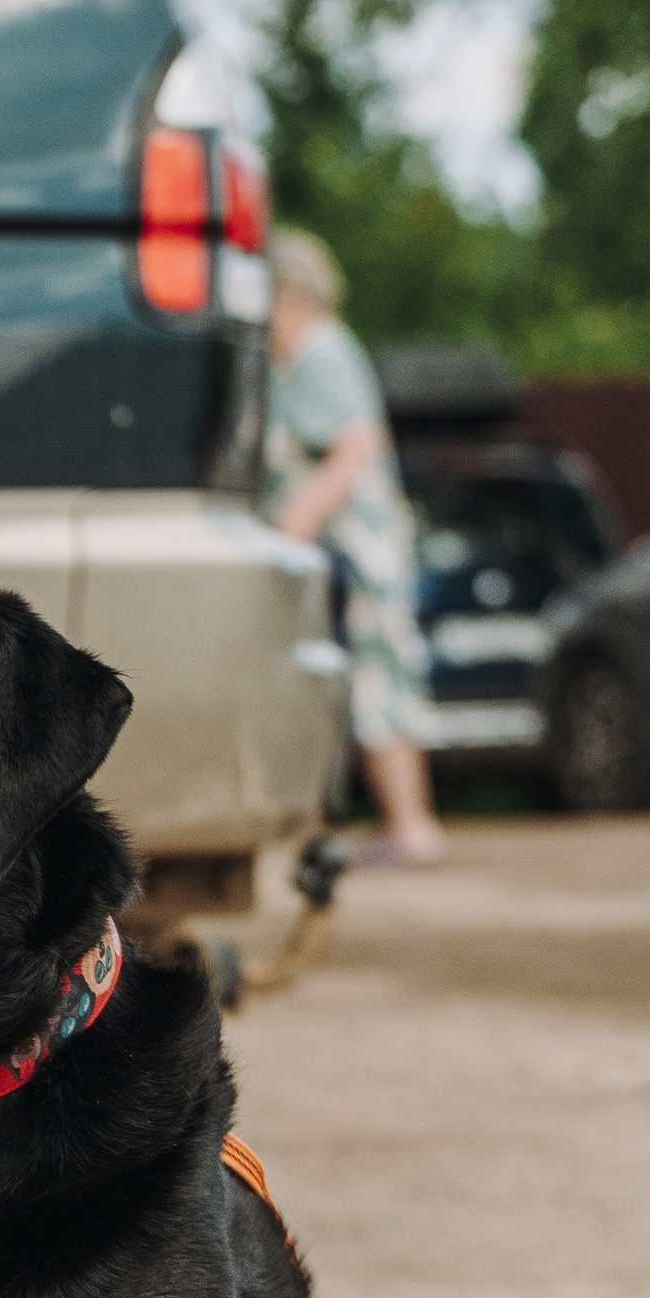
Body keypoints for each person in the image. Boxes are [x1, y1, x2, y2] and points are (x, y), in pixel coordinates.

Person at [264, 228, 446, 869]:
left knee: (378, 677)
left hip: (360, 554)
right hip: (360, 553)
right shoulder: (323, 352)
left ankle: (411, 826)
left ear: (285, 296)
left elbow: (353, 448)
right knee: (377, 675)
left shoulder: (319, 354)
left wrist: (297, 520)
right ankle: (408, 823)